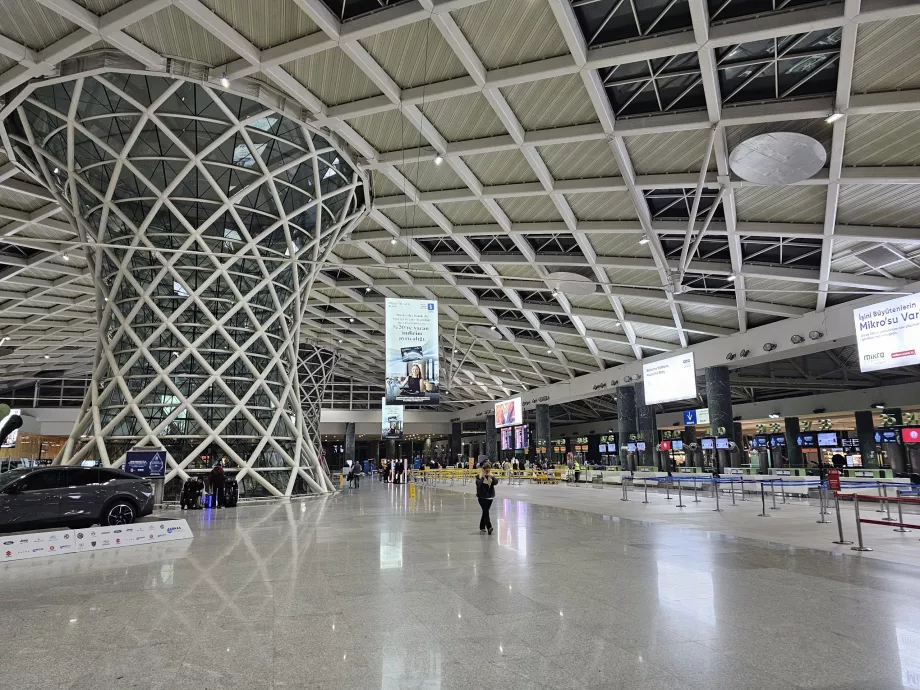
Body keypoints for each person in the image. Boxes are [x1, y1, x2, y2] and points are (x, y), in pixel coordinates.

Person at [476, 462, 498, 535]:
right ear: (483, 469)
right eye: (486, 470)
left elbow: (495, 482)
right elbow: (479, 485)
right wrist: (483, 477)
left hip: (490, 497)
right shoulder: (478, 476)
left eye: (489, 470)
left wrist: (492, 477)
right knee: (486, 511)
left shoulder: (491, 476)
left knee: (485, 511)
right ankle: (489, 527)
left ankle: (482, 526)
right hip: (481, 497)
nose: (487, 471)